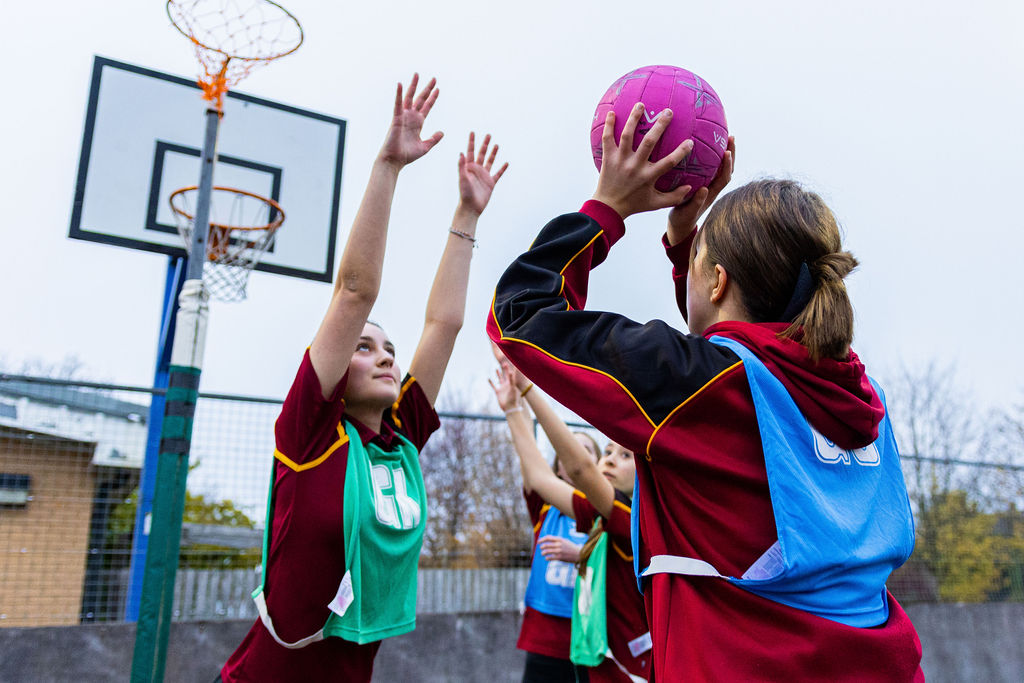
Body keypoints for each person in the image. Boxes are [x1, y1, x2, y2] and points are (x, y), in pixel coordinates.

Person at [487, 103, 923, 681]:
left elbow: (519, 314)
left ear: (716, 281)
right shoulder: (860, 393)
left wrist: (607, 207)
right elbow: (731, 364)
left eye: (696, 265)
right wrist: (685, 240)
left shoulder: (708, 388)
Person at [220, 73, 507, 683]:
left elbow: (445, 324)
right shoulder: (310, 437)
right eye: (363, 346)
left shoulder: (399, 440)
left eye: (390, 350)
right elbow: (355, 292)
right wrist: (389, 166)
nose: (383, 357)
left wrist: (466, 214)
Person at [491, 354, 651, 682]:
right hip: (594, 662)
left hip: (630, 670)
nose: (608, 461)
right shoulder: (598, 514)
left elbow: (580, 468)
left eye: (623, 455)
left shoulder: (633, 517)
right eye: (607, 452)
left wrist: (529, 389)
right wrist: (512, 409)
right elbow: (538, 476)